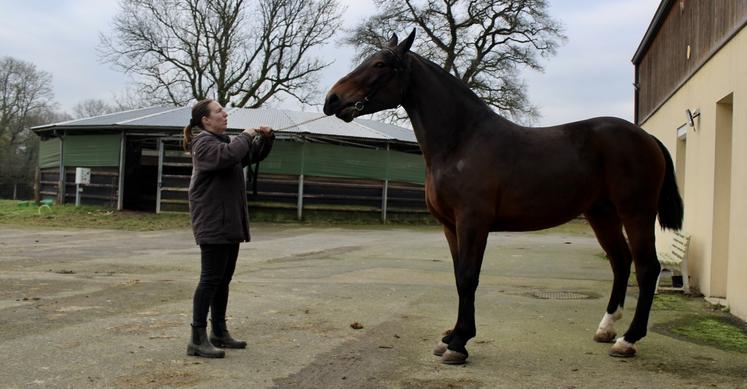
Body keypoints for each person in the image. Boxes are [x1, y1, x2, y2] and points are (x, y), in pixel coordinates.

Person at [182, 99, 274, 358]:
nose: (225, 113)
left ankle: (219, 332)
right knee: (210, 280)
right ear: (205, 121)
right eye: (219, 111)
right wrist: (246, 134)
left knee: (223, 280)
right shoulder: (204, 144)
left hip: (228, 221)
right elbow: (229, 156)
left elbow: (250, 155)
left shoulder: (224, 143)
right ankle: (196, 339)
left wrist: (267, 139)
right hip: (213, 221)